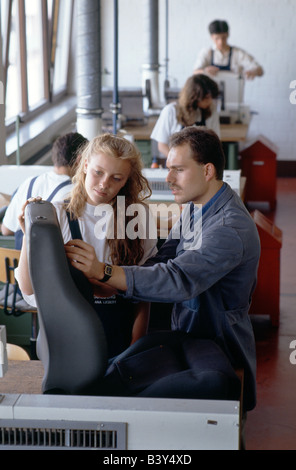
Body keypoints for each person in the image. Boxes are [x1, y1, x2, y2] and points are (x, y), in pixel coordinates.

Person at [64, 127, 260, 412]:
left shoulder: (229, 228)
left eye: (178, 170)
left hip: (218, 343)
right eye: (169, 169)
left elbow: (177, 279)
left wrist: (105, 272)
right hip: (187, 334)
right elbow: (164, 259)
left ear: (207, 171)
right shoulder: (198, 207)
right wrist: (115, 282)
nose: (168, 179)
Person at [16, 133, 158, 358]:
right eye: (98, 172)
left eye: (117, 178)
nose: (104, 184)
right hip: (66, 337)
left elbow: (144, 292)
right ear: (84, 164)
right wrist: (28, 234)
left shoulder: (138, 218)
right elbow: (28, 289)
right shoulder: (58, 214)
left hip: (121, 334)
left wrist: (136, 344)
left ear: (128, 180)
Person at [1, 132, 88, 249]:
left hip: (18, 263)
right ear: (80, 160)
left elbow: (6, 230)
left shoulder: (29, 182)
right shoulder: (74, 192)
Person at [150, 74, 220, 161]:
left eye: (211, 98)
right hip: (176, 165)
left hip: (201, 165)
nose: (210, 101)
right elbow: (162, 146)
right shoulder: (170, 111)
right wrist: (179, 163)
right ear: (194, 96)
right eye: (206, 98)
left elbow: (215, 143)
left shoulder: (211, 111)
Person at [193, 19, 264, 79]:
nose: (220, 42)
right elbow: (195, 72)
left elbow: (260, 71)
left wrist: (253, 72)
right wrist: (204, 71)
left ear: (228, 35)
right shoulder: (206, 52)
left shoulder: (238, 53)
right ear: (211, 37)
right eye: (217, 38)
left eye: (223, 38)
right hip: (210, 94)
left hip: (234, 93)